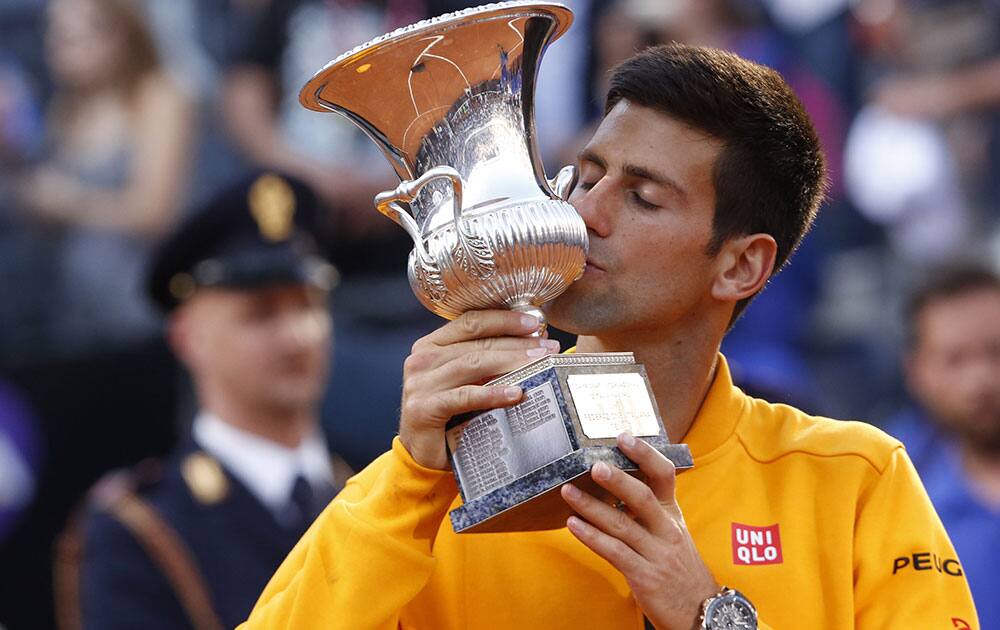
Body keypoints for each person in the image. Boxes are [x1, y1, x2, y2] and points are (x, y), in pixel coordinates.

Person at [242, 44, 977, 629]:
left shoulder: (855, 480)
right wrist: (411, 479)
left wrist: (707, 617)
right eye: (584, 176)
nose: (585, 212)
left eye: (642, 196)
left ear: (741, 265)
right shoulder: (423, 489)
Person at [60, 172, 351, 629]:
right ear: (187, 338)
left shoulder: (363, 488)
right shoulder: (141, 529)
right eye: (261, 314)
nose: (297, 336)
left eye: (308, 305)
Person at [12, 0, 194, 359]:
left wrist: (67, 203)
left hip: (140, 310)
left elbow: (155, 213)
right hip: (70, 316)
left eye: (72, 34)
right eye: (55, 32)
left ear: (117, 34)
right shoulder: (63, 111)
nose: (57, 45)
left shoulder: (158, 96)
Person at [887, 265, 1000, 627]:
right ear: (917, 372)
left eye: (997, 352)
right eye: (955, 359)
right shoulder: (894, 493)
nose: (980, 380)